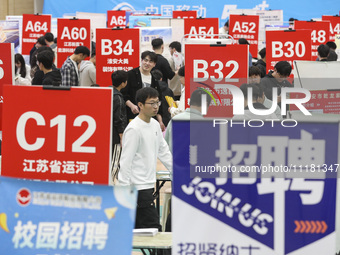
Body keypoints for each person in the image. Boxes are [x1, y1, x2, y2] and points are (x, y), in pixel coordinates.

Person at [118, 87, 172, 231]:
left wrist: (176, 171)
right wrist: (125, 190)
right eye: (152, 103)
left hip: (148, 185)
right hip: (137, 188)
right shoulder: (134, 129)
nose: (156, 107)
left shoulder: (154, 124)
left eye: (157, 103)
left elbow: (163, 150)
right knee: (153, 228)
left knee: (138, 230)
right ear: (140, 105)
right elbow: (125, 161)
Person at [121, 51, 163, 124]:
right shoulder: (130, 75)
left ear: (154, 64)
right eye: (145, 60)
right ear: (141, 60)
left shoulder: (154, 79)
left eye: (150, 61)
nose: (147, 63)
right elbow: (123, 94)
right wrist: (131, 106)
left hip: (148, 117)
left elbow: (159, 99)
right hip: (132, 115)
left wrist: (160, 121)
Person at [111, 70, 128, 182]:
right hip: (115, 137)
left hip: (106, 134)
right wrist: (122, 137)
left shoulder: (107, 92)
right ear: (123, 83)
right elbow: (119, 119)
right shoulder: (118, 98)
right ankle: (110, 184)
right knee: (114, 163)